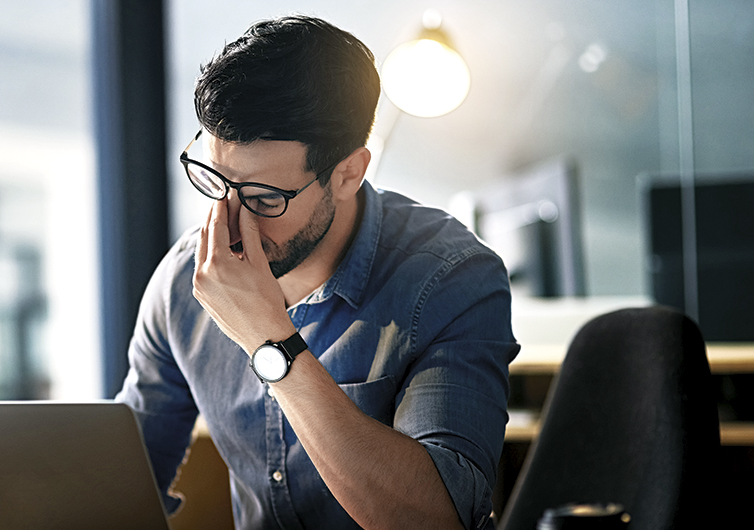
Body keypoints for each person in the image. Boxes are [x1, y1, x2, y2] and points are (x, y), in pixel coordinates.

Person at [116, 14, 519, 530]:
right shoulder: (183, 283)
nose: (229, 225)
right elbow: (127, 474)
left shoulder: (451, 278)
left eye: (264, 199)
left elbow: (436, 520)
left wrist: (270, 341)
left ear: (349, 172)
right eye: (215, 181)